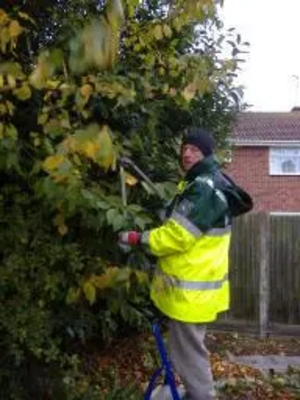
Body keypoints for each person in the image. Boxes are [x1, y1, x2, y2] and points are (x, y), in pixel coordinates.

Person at [119, 127, 253, 400]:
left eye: (194, 149)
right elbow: (189, 226)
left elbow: (176, 236)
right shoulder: (205, 183)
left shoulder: (202, 188)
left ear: (206, 153)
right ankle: (197, 393)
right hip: (195, 292)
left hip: (189, 294)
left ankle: (202, 396)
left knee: (191, 357)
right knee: (188, 351)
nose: (187, 153)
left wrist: (136, 237)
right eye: (185, 149)